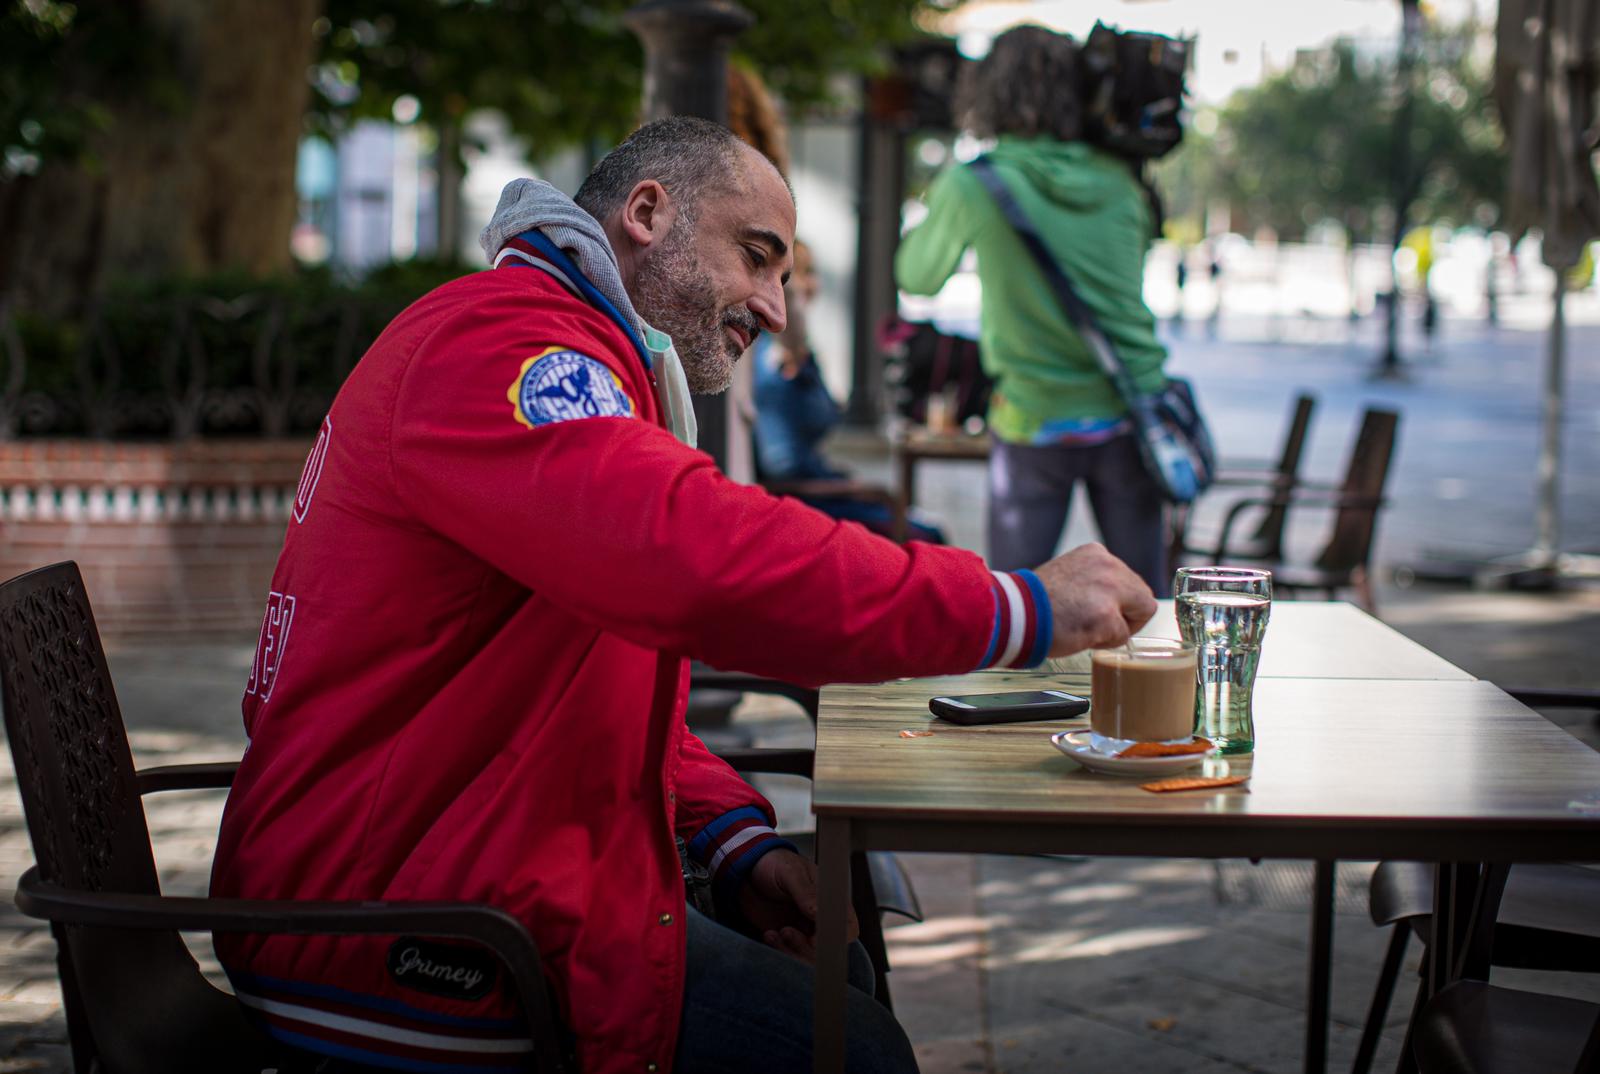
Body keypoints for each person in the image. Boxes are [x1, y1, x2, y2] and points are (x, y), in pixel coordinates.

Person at [210, 115, 1155, 1074]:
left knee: (845, 986)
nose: (776, 307)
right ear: (649, 214)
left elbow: (610, 679)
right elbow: (696, 557)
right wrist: (1014, 608)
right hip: (389, 922)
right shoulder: (507, 347)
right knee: (855, 1047)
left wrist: (734, 836)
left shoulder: (559, 342)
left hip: (462, 867)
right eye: (757, 258)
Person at [897, 26, 1175, 595]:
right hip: (1132, 409)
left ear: (989, 92)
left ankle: (1022, 686)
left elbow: (917, 277)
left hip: (1034, 415)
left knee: (1019, 607)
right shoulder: (1122, 181)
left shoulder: (975, 184)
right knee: (1147, 605)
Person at [753, 239, 947, 543]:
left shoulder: (798, 356)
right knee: (927, 537)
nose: (815, 284)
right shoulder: (774, 360)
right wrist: (846, 486)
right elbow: (782, 463)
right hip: (807, 503)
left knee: (926, 528)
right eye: (806, 274)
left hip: (822, 491)